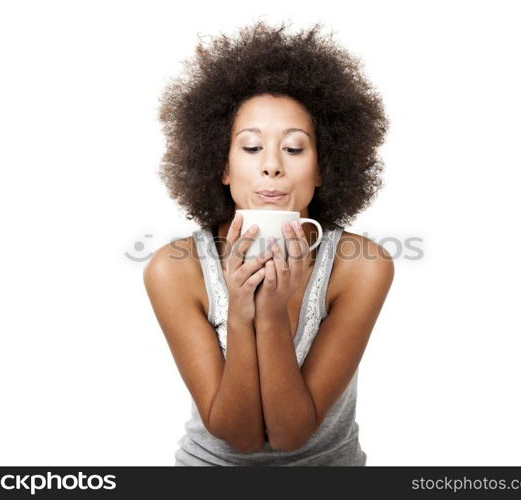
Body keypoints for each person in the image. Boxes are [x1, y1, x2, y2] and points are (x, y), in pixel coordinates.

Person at [143, 20, 394, 466]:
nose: (272, 166)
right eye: (252, 147)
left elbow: (291, 433)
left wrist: (272, 314)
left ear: (323, 169)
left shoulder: (363, 265)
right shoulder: (174, 269)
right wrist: (242, 312)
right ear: (221, 166)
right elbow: (239, 438)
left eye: (294, 149)